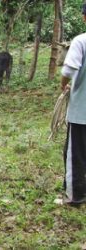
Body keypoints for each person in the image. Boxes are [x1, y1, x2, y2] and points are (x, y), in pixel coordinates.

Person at [60, 3, 86, 205]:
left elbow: (68, 70)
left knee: (75, 153)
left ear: (84, 17)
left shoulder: (81, 41)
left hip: (81, 111)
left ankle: (75, 196)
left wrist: (63, 86)